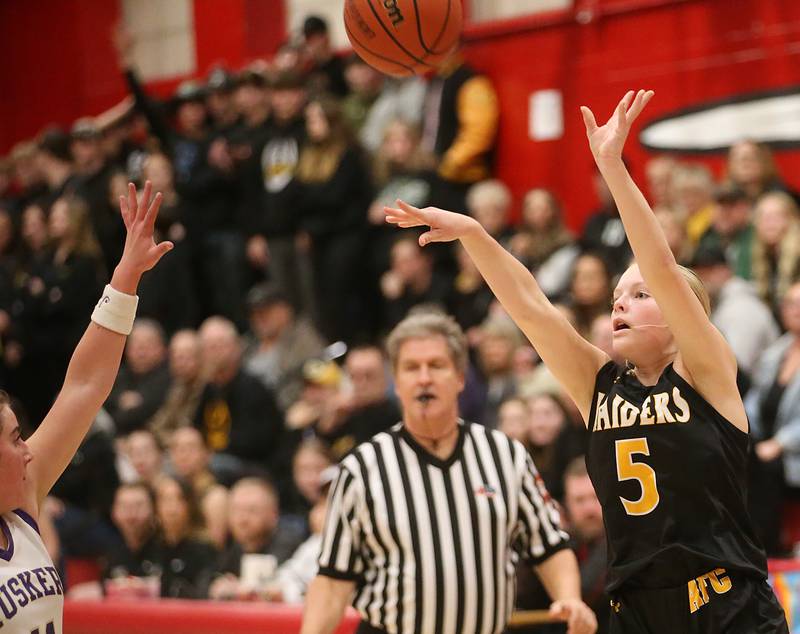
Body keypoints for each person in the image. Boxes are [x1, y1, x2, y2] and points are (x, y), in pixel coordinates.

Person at [383, 90, 788, 633]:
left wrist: (613, 170)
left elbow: (664, 266)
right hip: (635, 609)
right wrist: (476, 234)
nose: (621, 303)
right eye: (619, 296)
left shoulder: (706, 370)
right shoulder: (601, 385)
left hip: (725, 605)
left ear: (681, 314)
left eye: (640, 296)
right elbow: (531, 309)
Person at [301, 312, 596, 634]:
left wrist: (570, 598)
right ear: (396, 383)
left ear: (460, 377)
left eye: (436, 365)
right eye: (412, 368)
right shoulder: (362, 468)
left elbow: (549, 545)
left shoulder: (505, 455)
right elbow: (333, 580)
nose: (424, 378)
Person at [0, 180, 172, 632]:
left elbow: (84, 386)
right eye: (16, 439)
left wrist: (125, 279)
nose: (28, 449)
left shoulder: (23, 499)